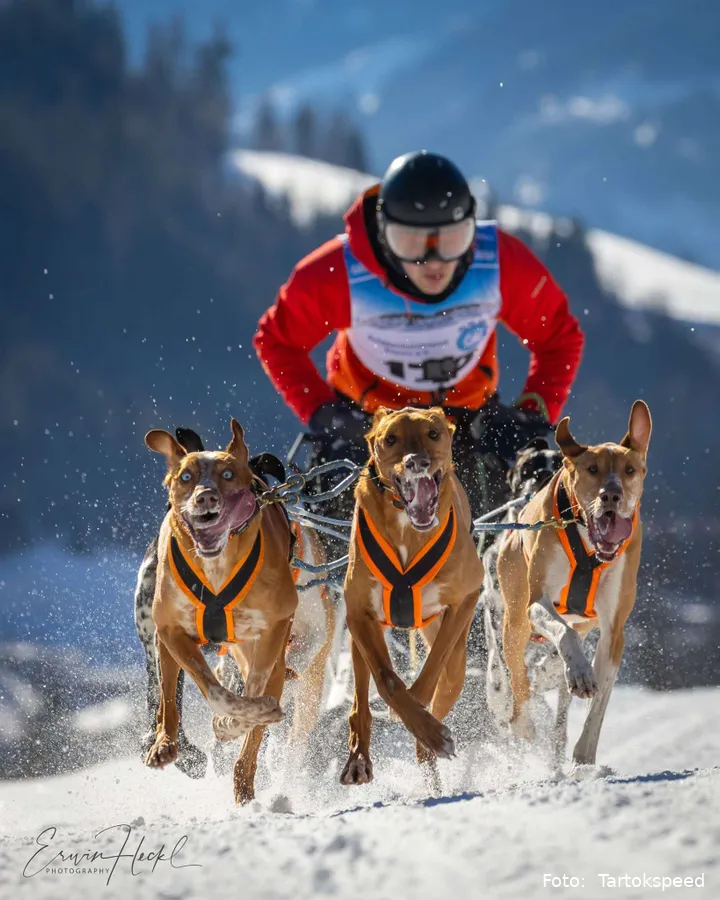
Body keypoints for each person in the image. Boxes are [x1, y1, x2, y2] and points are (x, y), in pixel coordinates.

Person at [253, 150, 584, 521]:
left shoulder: (500, 262)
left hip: (467, 426)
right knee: (343, 551)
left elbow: (557, 337)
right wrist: (321, 413)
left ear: (472, 230)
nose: (435, 261)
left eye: (452, 239)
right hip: (365, 427)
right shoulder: (339, 272)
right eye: (411, 242)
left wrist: (532, 414)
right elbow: (277, 340)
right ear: (382, 233)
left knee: (490, 549)